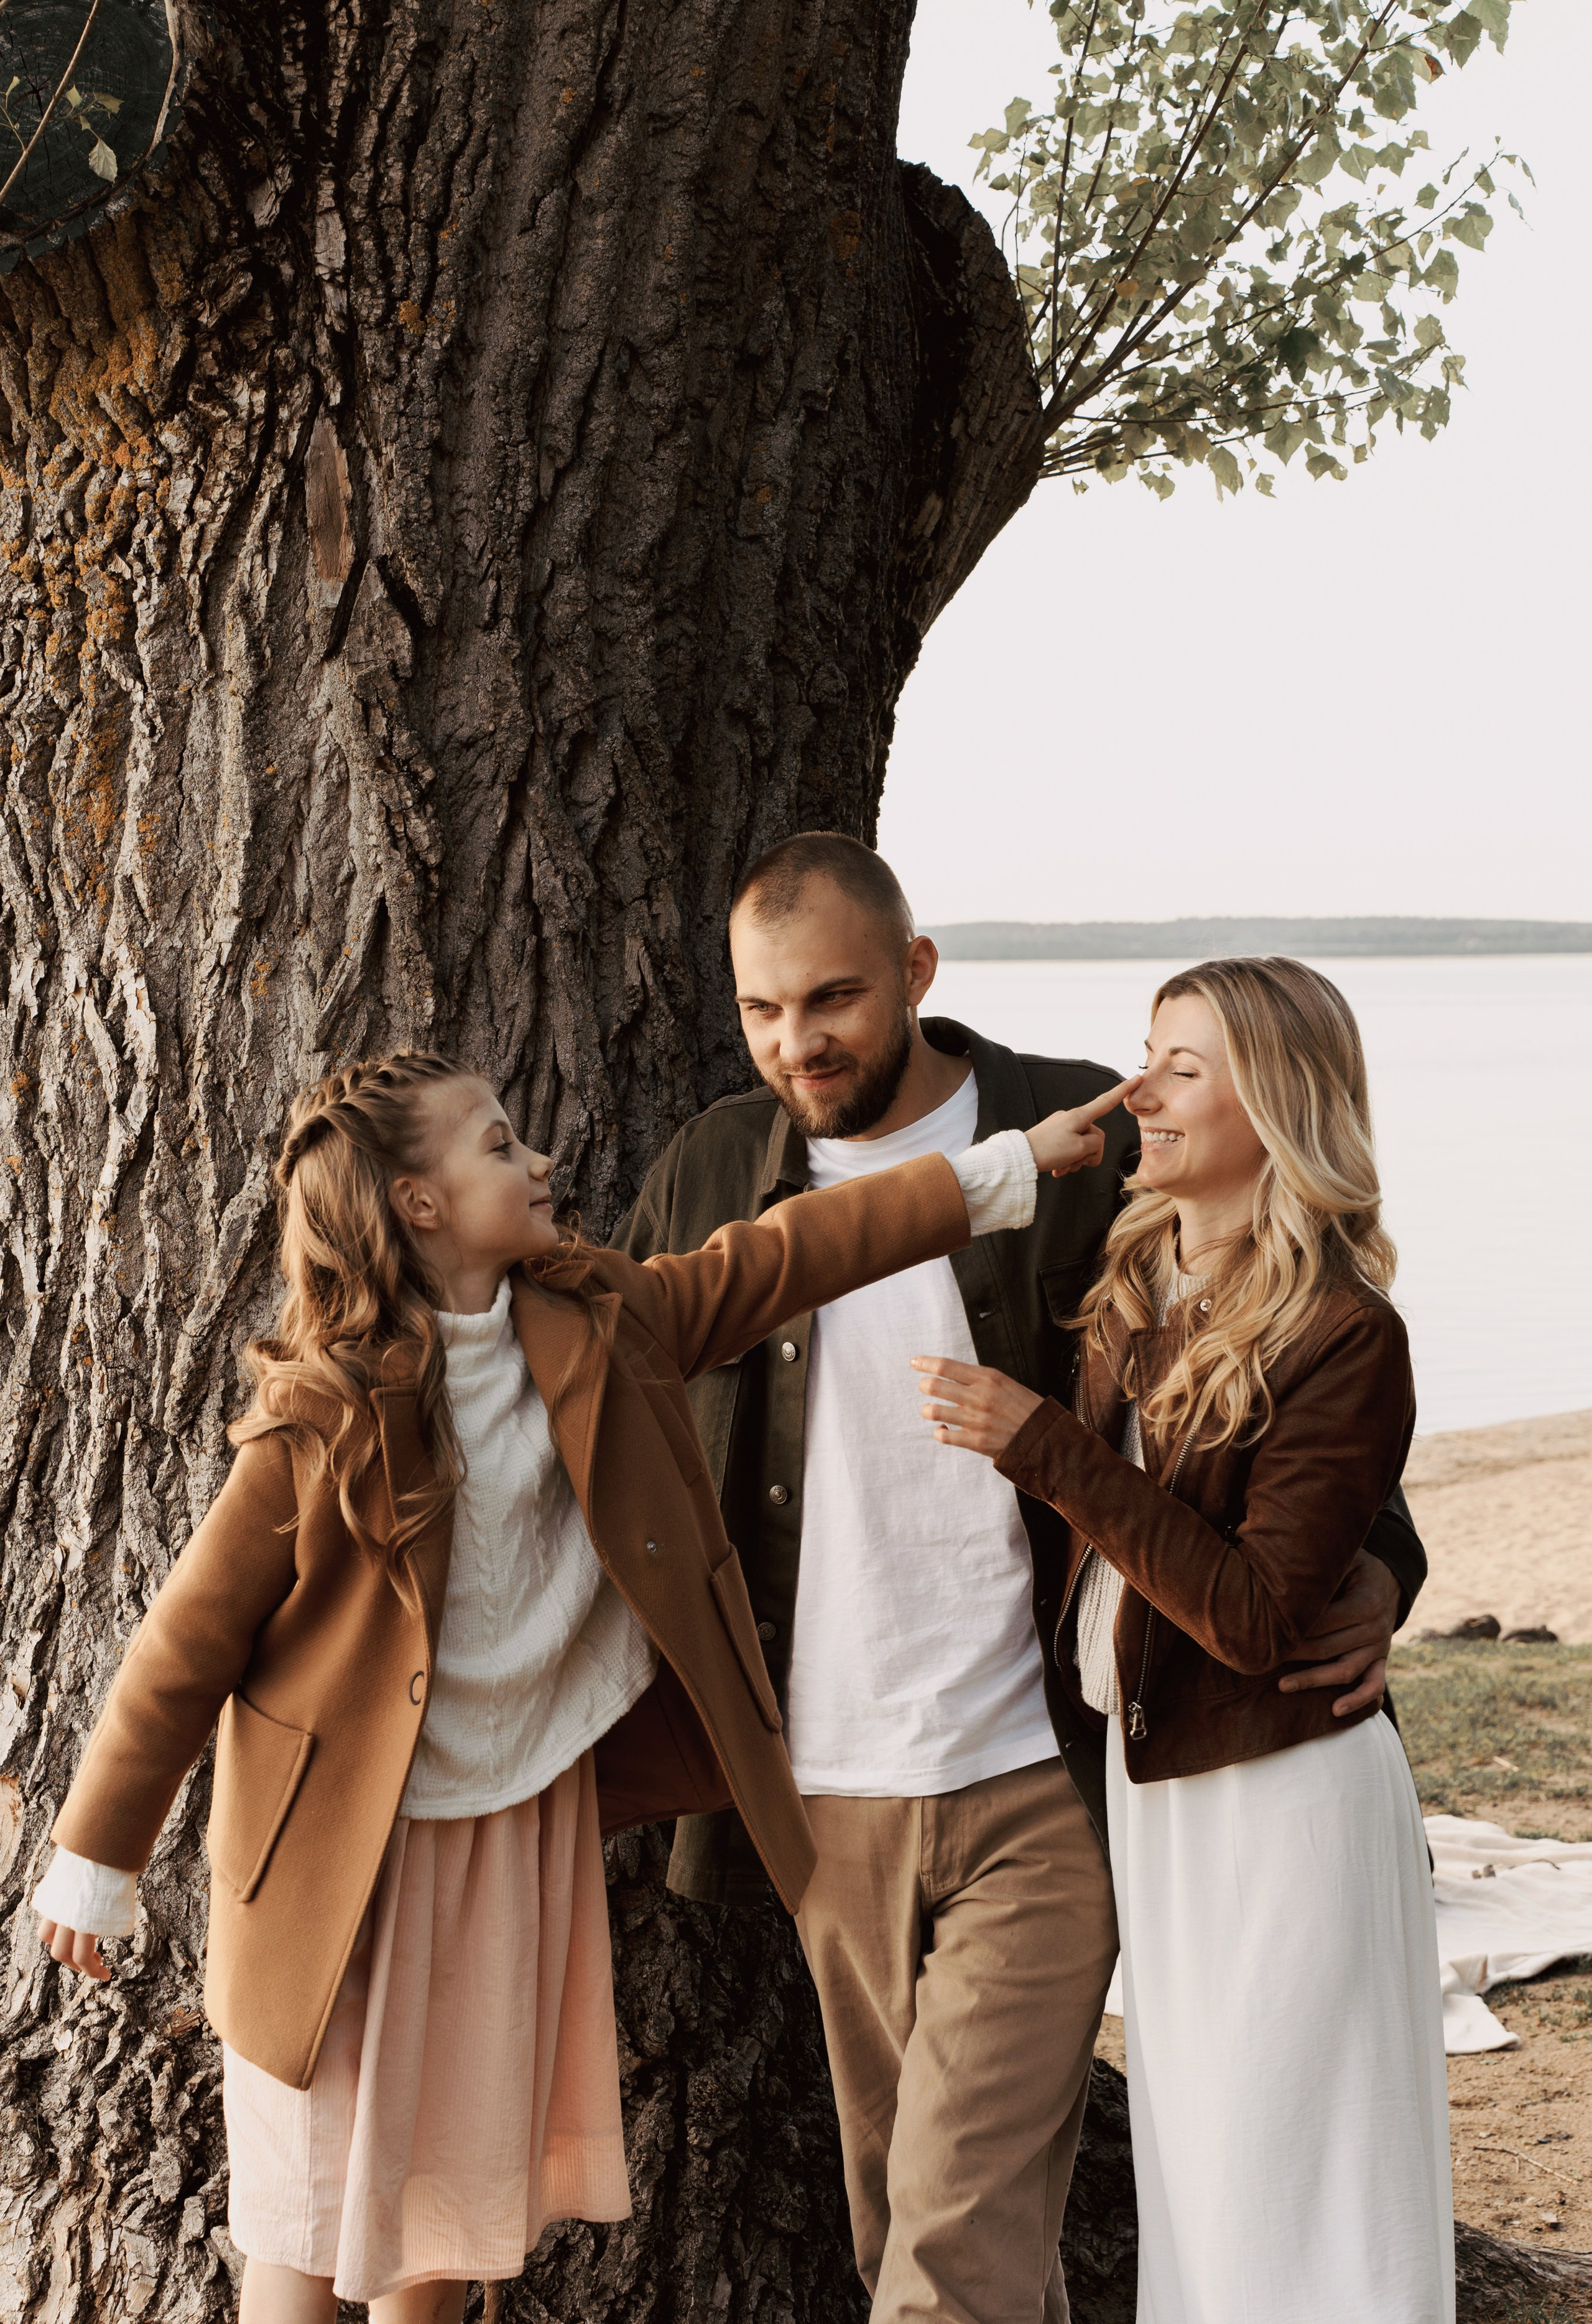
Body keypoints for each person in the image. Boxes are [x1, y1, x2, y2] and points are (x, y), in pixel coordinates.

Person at [31, 1048, 1114, 2324]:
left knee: (452, 2205)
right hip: (341, 1860)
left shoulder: (600, 1322)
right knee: (312, 2213)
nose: (538, 1161)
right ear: (419, 1205)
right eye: (497, 1146)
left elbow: (785, 1253)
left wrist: (1005, 1167)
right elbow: (180, 1651)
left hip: (508, 1834)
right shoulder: (322, 1419)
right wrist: (95, 1860)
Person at [613, 838, 1428, 2323]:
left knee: (951, 2244)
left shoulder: (1085, 1127)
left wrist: (1374, 1564)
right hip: (820, 1793)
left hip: (1040, 1773)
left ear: (917, 975)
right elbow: (601, 1418)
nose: (797, 1043)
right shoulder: (712, 1169)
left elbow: (1269, 1361)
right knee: (904, 2222)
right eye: (760, 1010)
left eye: (834, 999)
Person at [917, 956, 1451, 2323]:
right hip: (1156, 1802)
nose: (1137, 1089)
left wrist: (1043, 1450)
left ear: (1271, 1108)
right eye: (1142, 1052)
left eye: (1180, 1067)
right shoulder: (1139, 1273)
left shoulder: (1342, 1331)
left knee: (1297, 2177)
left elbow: (1258, 1617)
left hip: (1283, 1801)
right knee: (1204, 2182)